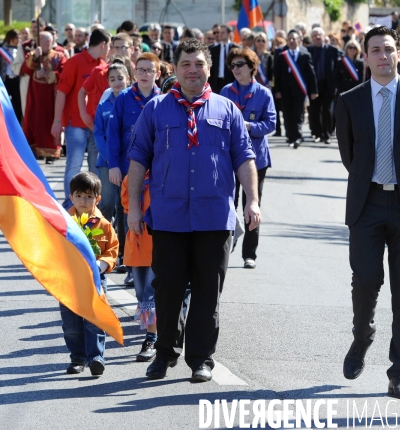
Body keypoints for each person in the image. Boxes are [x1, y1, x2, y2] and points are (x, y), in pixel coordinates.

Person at [127, 38, 261, 383]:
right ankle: (164, 353)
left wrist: (252, 200)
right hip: (169, 217)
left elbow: (244, 157)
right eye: (186, 64)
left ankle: (201, 358)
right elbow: (139, 158)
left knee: (207, 293)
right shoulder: (155, 109)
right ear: (175, 68)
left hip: (214, 217)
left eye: (199, 64)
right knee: (168, 290)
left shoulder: (227, 109)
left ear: (207, 69)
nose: (192, 70)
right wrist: (133, 211)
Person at [335, 26, 400, 400]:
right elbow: (349, 155)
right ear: (365, 57)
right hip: (366, 204)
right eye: (376, 50)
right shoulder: (349, 100)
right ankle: (362, 337)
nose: (383, 56)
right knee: (365, 280)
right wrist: (374, 181)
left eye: (390, 50)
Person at [107, 53, 162, 286]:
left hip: (156, 170)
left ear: (157, 74)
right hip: (128, 168)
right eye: (140, 70)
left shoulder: (164, 99)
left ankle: (154, 263)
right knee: (127, 214)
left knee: (153, 215)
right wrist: (113, 166)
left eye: (150, 70)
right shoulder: (124, 99)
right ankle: (129, 263)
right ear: (134, 73)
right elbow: (113, 134)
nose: (145, 74)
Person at [221, 47, 275, 269]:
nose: (235, 69)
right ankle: (225, 247)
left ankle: (249, 254)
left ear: (252, 67)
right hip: (228, 156)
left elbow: (271, 123)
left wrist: (249, 126)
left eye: (240, 65)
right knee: (227, 204)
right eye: (232, 66)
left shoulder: (263, 93)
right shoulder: (225, 91)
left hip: (255, 159)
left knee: (251, 205)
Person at [62, 172, 118, 376]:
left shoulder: (103, 225)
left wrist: (101, 265)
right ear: (71, 197)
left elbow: (112, 250)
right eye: (78, 196)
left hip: (95, 278)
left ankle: (96, 357)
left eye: (88, 196)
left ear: (98, 199)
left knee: (94, 319)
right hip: (69, 279)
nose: (83, 201)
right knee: (71, 323)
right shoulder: (64, 224)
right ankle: (77, 358)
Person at [51, 28, 111, 208]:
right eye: (109, 46)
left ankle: (93, 206)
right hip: (75, 124)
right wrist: (57, 121)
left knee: (95, 168)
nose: (109, 50)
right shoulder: (74, 62)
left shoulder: (104, 64)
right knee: (74, 166)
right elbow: (61, 92)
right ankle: (71, 205)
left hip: (95, 126)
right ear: (103, 44)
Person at [121, 171, 158, 361]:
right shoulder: (131, 178)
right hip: (136, 243)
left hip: (157, 243)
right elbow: (127, 206)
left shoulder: (162, 173)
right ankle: (155, 330)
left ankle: (152, 337)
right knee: (140, 292)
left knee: (150, 293)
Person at [21, 31, 67, 163]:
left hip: (51, 97)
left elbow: (64, 73)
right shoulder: (33, 54)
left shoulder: (59, 56)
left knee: (48, 124)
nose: (37, 43)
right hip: (34, 96)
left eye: (40, 40)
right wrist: (35, 57)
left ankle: (51, 153)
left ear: (48, 42)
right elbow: (25, 69)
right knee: (32, 121)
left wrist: (48, 74)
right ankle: (33, 151)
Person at [94, 62, 131, 220]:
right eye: (112, 79)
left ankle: (123, 244)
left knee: (126, 205)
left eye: (120, 78)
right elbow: (98, 133)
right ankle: (106, 241)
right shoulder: (103, 105)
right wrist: (110, 157)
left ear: (128, 79)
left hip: (129, 161)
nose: (117, 82)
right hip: (106, 162)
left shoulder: (133, 102)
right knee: (107, 204)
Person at [273, 30, 318, 148]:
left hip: (299, 90)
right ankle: (290, 135)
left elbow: (311, 74)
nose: (291, 41)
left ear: (299, 41)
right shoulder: (282, 56)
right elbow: (276, 75)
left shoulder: (305, 55)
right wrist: (276, 90)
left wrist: (314, 91)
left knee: (297, 114)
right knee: (287, 114)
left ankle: (297, 136)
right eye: (289, 39)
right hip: (284, 91)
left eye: (294, 39)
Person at [308, 27, 341, 144]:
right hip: (314, 86)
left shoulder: (332, 50)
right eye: (315, 35)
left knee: (327, 111)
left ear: (324, 36)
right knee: (314, 111)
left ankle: (327, 135)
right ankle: (317, 134)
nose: (317, 37)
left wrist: (336, 86)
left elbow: (337, 69)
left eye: (319, 35)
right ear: (312, 38)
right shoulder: (308, 51)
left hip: (328, 85)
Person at [12, 18, 44, 123]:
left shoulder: (50, 44)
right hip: (28, 83)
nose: (33, 29)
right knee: (29, 116)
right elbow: (16, 67)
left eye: (36, 27)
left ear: (42, 28)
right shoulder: (24, 46)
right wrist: (31, 60)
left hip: (45, 84)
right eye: (32, 27)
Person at [0, 29, 22, 123]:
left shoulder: (20, 49)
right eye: (16, 37)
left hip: (16, 80)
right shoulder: (2, 50)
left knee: (17, 104)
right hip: (5, 80)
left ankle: (17, 123)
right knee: (3, 103)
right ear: (11, 37)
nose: (18, 39)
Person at [209, 24, 240, 94]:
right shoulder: (213, 49)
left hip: (231, 82)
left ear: (229, 34)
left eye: (223, 32)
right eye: (219, 32)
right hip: (216, 83)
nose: (220, 34)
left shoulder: (236, 48)